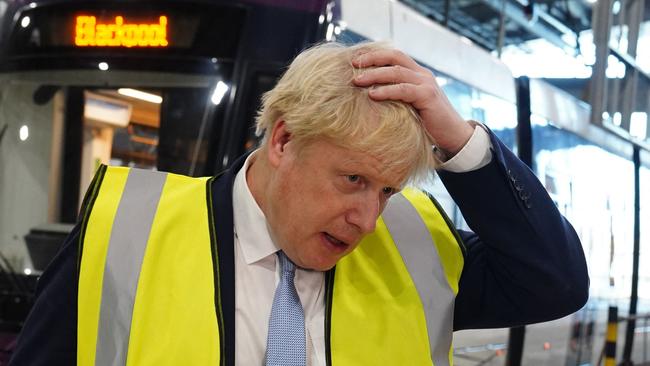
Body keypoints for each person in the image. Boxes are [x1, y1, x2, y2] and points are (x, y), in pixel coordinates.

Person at [10, 42, 588, 366]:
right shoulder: (126, 236)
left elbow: (554, 282)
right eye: (353, 179)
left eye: (387, 191)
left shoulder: (414, 255)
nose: (368, 220)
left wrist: (460, 143)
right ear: (283, 140)